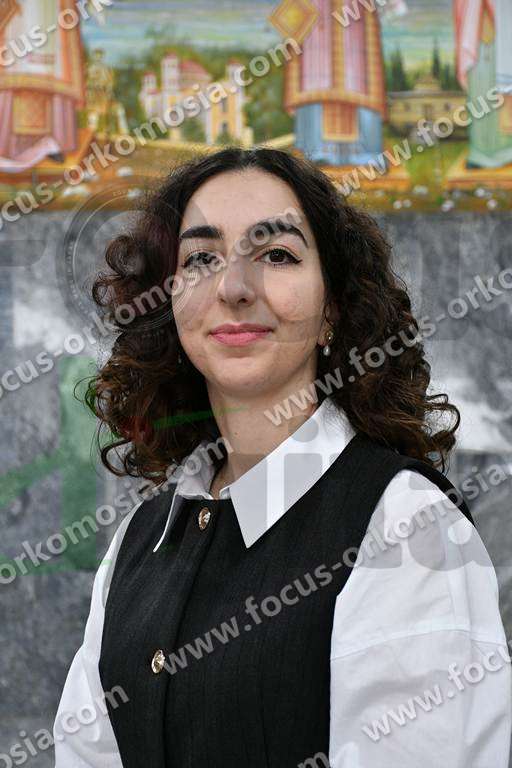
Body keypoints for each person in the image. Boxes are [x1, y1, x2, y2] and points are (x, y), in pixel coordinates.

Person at [53, 147, 511, 767]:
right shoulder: (139, 538)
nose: (234, 288)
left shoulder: (405, 522)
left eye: (277, 255)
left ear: (332, 310)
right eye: (201, 259)